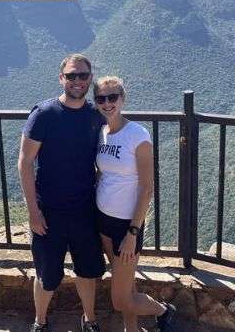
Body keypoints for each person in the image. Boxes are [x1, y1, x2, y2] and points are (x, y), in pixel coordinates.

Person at [17, 53, 105, 332]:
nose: (77, 81)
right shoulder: (44, 114)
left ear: (90, 79)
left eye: (83, 76)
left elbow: (106, 159)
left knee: (88, 270)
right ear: (61, 78)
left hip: (85, 210)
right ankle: (39, 322)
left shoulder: (95, 115)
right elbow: (25, 162)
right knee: (47, 274)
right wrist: (33, 211)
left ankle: (89, 320)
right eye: (71, 75)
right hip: (49, 211)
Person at [93, 76, 176, 331]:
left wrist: (133, 231)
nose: (107, 103)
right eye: (101, 98)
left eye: (113, 97)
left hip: (126, 225)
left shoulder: (137, 135)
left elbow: (147, 187)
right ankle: (132, 329)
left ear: (122, 98)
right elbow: (103, 173)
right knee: (126, 284)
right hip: (102, 219)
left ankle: (163, 310)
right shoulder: (102, 132)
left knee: (120, 300)